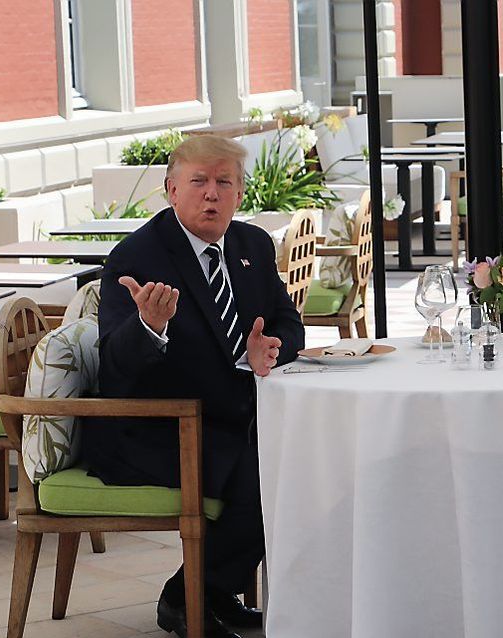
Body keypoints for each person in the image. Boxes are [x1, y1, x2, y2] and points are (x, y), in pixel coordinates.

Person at [84, 135, 305, 638]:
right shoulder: (137, 257)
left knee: (309, 457)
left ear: (240, 193)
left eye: (223, 182)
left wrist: (269, 348)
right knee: (268, 473)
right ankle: (185, 599)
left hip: (234, 413)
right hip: (155, 427)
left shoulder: (252, 244)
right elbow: (115, 367)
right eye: (198, 182)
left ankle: (208, 593)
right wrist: (149, 327)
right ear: (171, 190)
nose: (211, 194)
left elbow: (290, 324)